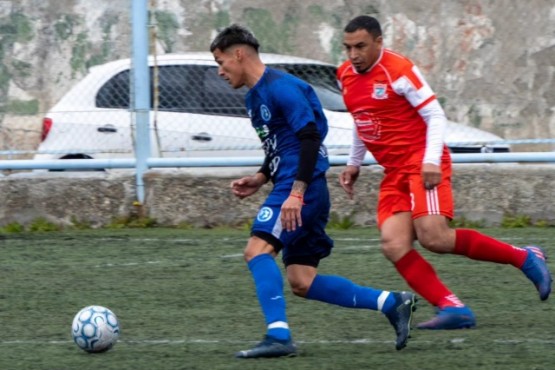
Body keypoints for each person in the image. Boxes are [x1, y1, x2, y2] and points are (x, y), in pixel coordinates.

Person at [209, 24, 417, 358]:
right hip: (298, 186)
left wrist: (296, 192)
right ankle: (391, 302)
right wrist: (262, 176)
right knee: (302, 280)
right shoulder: (254, 96)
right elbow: (282, 143)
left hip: (300, 188)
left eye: (221, 62)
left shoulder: (282, 88)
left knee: (257, 251)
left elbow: (309, 138)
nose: (220, 71)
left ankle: (278, 337)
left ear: (238, 54)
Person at [338, 15, 552, 330]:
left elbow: (435, 114)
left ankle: (524, 257)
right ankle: (453, 308)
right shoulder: (345, 75)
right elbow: (361, 119)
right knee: (393, 245)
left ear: (379, 42)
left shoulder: (399, 71)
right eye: (348, 48)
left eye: (360, 47)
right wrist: (354, 162)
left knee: (434, 238)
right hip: (394, 171)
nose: (353, 55)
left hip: (423, 162)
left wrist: (431, 161)